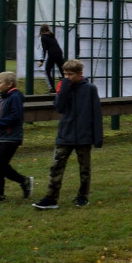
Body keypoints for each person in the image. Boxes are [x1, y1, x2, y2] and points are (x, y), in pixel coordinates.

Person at [32, 59, 103, 209]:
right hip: (66, 134)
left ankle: (83, 196)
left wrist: (97, 137)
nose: (67, 77)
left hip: (84, 135)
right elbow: (59, 107)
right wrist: (64, 89)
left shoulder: (90, 89)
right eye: (65, 74)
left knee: (84, 168)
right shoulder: (64, 87)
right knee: (56, 166)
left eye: (71, 74)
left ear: (79, 74)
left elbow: (96, 114)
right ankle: (51, 198)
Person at [0, 72, 33, 203]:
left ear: (9, 84)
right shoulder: (5, 97)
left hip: (12, 136)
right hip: (5, 136)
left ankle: (24, 181)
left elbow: (16, 117)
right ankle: (0, 194)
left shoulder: (14, 97)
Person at [37, 24, 65, 92]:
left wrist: (41, 60)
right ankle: (67, 85)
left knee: (47, 70)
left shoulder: (43, 37)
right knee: (62, 70)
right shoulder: (52, 36)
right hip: (59, 53)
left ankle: (52, 88)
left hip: (52, 54)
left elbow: (43, 49)